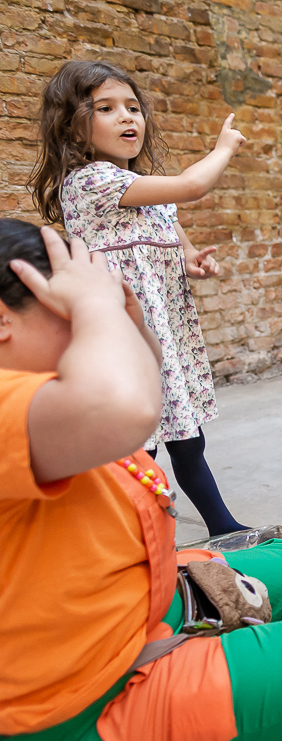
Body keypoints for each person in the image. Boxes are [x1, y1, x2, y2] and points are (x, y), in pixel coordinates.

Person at [0, 221, 282, 741]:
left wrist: (124, 312)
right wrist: (96, 305)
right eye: (68, 313)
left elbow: (146, 380)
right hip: (78, 718)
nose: (92, 329)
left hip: (137, 607)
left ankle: (235, 631)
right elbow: (126, 406)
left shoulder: (43, 394)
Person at [28, 59, 247, 536]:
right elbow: (192, 185)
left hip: (164, 334)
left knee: (187, 439)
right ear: (73, 128)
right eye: (106, 108)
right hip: (127, 336)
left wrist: (192, 260)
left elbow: (173, 235)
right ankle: (127, 536)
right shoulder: (91, 182)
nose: (128, 117)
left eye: (133, 107)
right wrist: (224, 148)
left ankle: (223, 527)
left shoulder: (144, 190)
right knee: (137, 444)